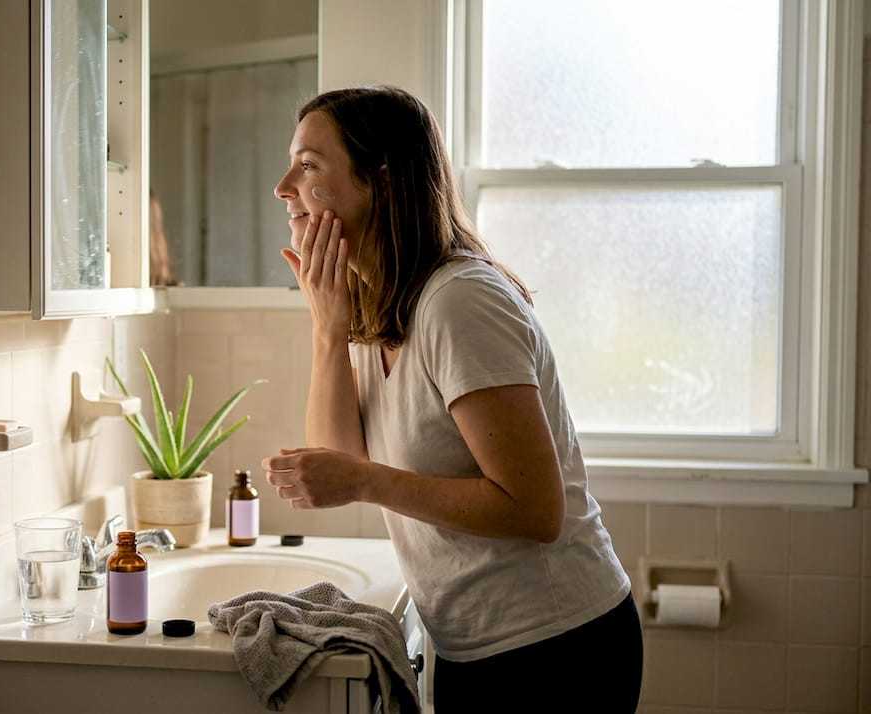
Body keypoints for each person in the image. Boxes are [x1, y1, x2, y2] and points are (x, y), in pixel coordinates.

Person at [262, 86, 643, 712]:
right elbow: (337, 466)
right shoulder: (379, 304)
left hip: (559, 650)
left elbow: (533, 509)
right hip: (475, 647)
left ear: (379, 183)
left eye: (308, 165)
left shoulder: (459, 303)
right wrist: (328, 330)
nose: (283, 186)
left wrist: (365, 480)